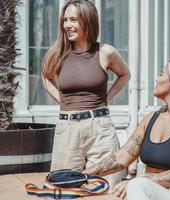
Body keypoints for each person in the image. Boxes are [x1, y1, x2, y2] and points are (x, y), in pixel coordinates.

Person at [84, 59, 170, 199]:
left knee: (135, 187)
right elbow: (122, 156)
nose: (156, 79)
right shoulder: (152, 118)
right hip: (143, 189)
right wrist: (84, 174)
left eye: (161, 74)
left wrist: (139, 182)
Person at [42, 0, 130, 187]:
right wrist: (62, 101)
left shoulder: (105, 52)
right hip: (68, 128)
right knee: (64, 187)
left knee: (105, 187)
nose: (67, 25)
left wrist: (106, 98)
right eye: (65, 20)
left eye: (73, 20)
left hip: (100, 128)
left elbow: (125, 75)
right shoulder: (58, 53)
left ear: (87, 20)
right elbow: (46, 78)